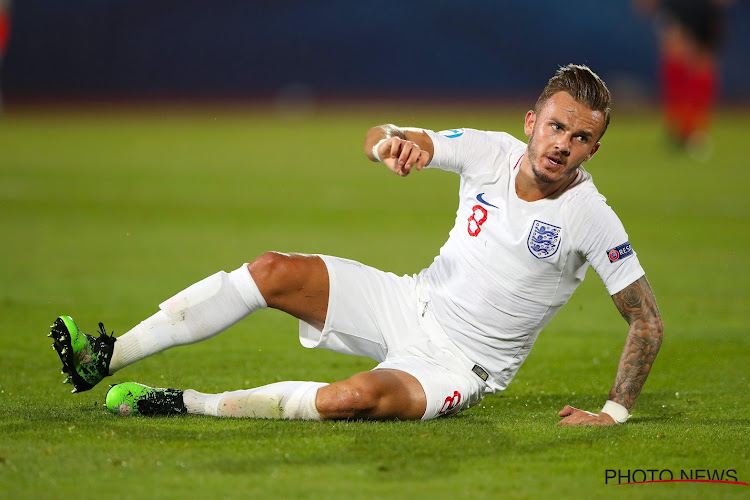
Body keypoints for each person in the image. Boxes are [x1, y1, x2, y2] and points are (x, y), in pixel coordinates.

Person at [50, 64, 663, 426]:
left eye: (581, 137)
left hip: (460, 365)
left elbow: (646, 323)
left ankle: (180, 403)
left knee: (355, 397)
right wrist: (390, 146)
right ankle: (103, 357)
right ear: (532, 121)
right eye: (556, 126)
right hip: (411, 300)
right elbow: (383, 130)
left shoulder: (592, 217)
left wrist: (613, 413)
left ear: (593, 149)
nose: (563, 144)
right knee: (272, 270)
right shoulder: (489, 151)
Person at [634, 0, 733, 153]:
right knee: (675, 54)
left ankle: (695, 128)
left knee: (703, 64)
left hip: (706, 8)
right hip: (677, 6)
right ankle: (678, 125)